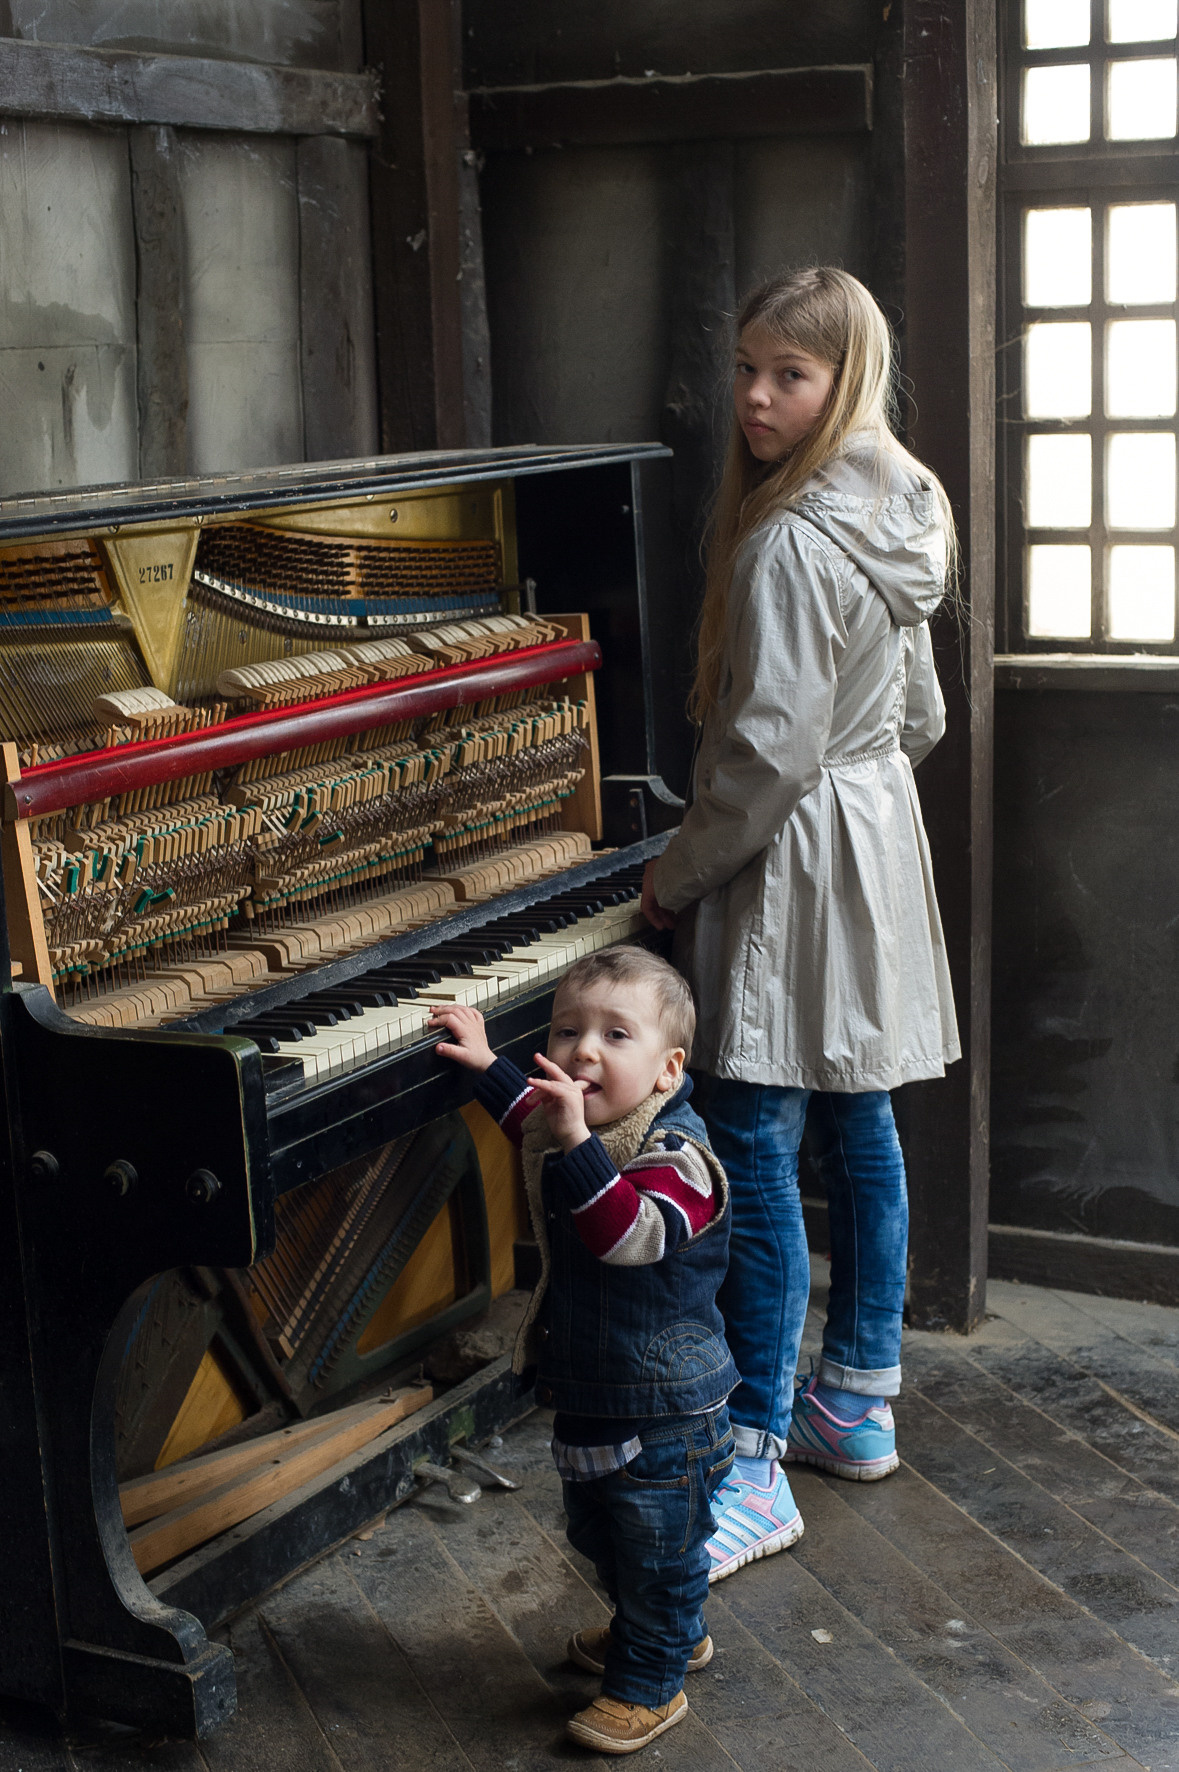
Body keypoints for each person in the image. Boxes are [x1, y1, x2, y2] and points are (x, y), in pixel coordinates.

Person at [641, 265, 959, 1583]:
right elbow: (924, 713)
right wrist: (863, 784)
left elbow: (762, 758)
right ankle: (854, 1399)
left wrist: (672, 877)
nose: (757, 399)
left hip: (789, 848)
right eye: (747, 368)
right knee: (858, 1113)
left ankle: (755, 1460)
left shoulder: (782, 535)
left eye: (790, 374)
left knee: (756, 1138)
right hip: (875, 833)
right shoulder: (909, 496)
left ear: (845, 376)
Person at [429, 946, 737, 1756]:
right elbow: (535, 1123)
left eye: (614, 1034)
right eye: (566, 1030)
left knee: (655, 1547)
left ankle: (650, 1679)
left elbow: (626, 1235)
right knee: (604, 1538)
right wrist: (487, 1061)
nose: (582, 1051)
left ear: (668, 1070)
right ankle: (664, 1625)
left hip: (670, 1412)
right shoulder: (583, 1122)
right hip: (600, 1394)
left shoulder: (683, 1160)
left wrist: (574, 1139)